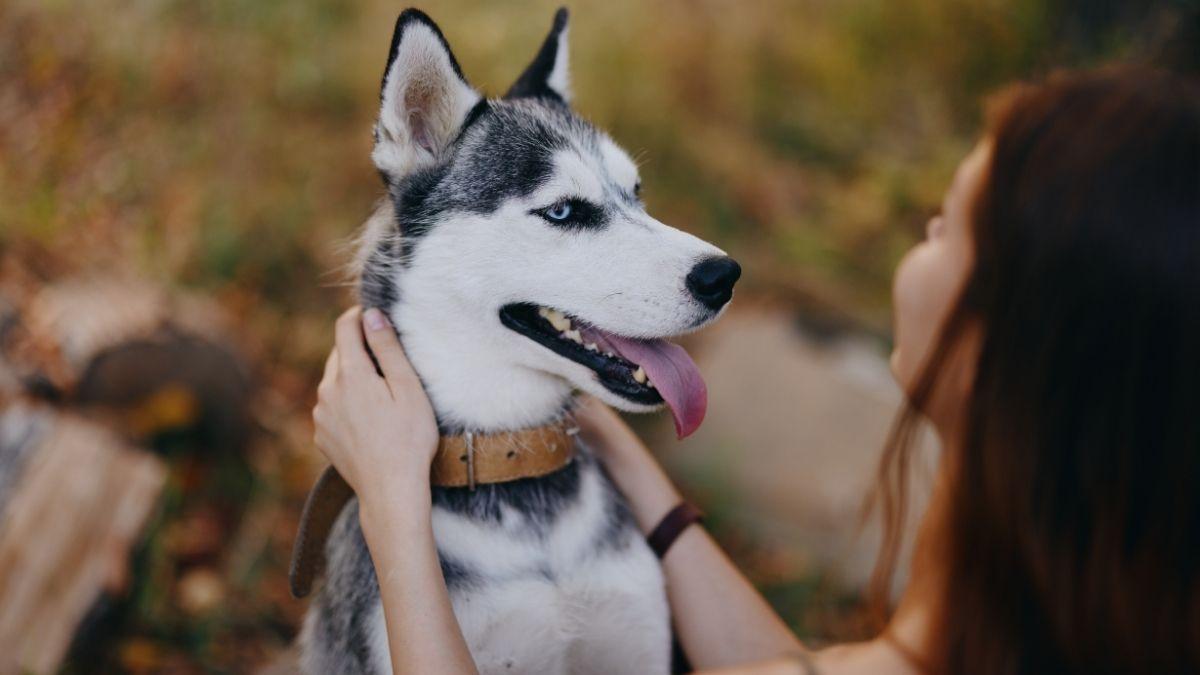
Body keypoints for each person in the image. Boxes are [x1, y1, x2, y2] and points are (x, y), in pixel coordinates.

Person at [311, 66, 1199, 674]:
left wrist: (392, 499)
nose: (919, 240)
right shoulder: (1070, 617)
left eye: (945, 226)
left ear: (1020, 344)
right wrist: (614, 430)